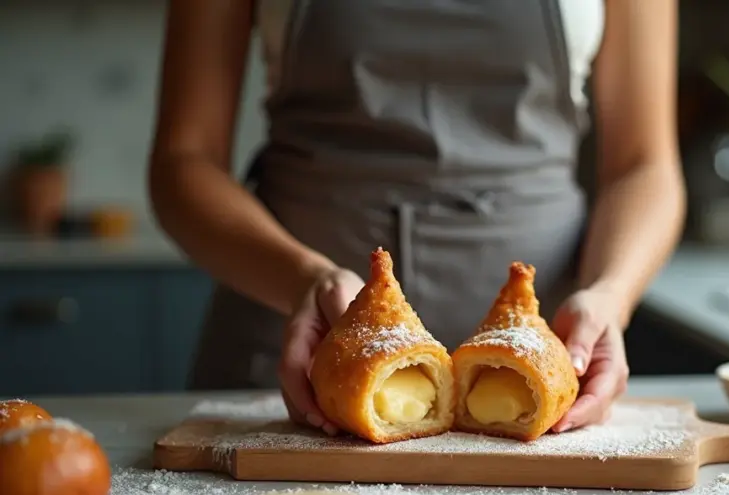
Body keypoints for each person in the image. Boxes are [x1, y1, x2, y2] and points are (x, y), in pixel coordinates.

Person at [149, 0, 685, 436]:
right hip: (301, 342)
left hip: (551, 342)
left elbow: (644, 166)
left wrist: (610, 297)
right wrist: (302, 280)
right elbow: (183, 164)